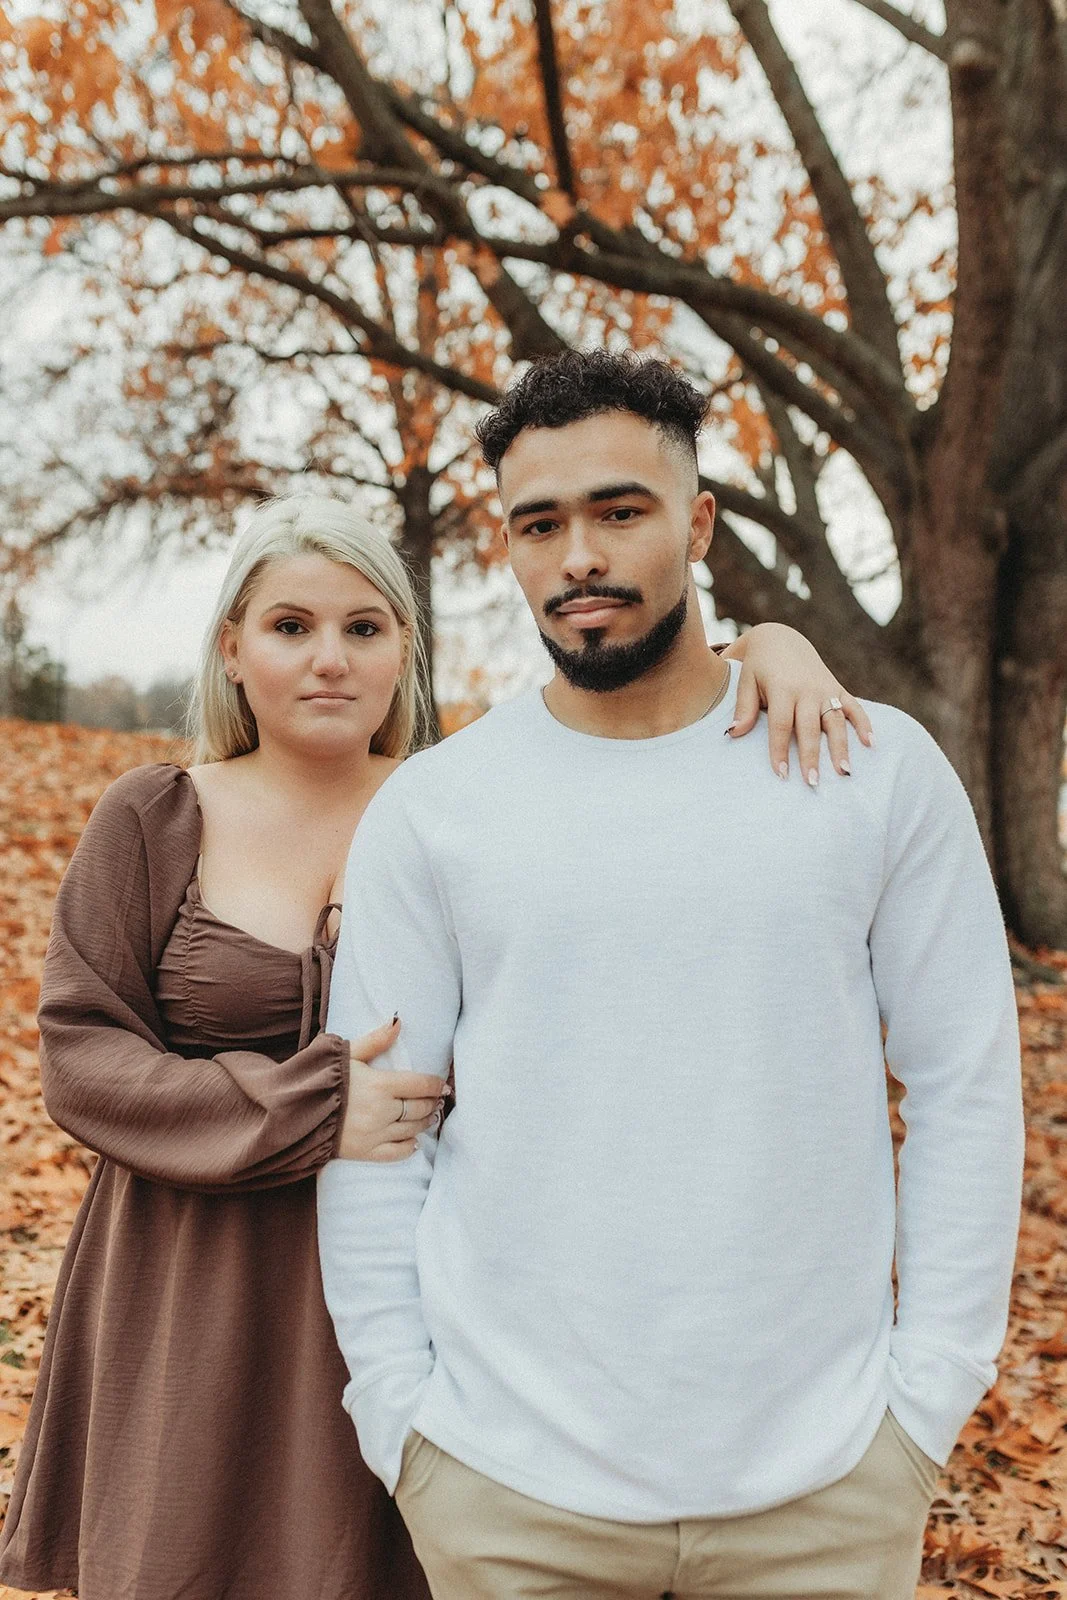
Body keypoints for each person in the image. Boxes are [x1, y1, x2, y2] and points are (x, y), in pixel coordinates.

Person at [0, 492, 865, 1600]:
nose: (329, 659)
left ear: (407, 648)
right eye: (290, 626)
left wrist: (773, 649)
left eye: (364, 627)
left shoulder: (470, 808)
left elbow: (643, 733)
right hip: (190, 1288)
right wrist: (310, 1107)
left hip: (409, 1300)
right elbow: (81, 1054)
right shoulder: (156, 815)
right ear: (232, 647)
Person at [317, 353, 1025, 1600]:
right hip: (505, 1488)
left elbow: (966, 1090)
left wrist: (924, 1405)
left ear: (696, 522)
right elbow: (379, 1127)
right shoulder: (436, 811)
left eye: (618, 510)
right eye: (540, 523)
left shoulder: (872, 773)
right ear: (509, 545)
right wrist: (404, 1424)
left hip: (825, 1490)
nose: (577, 554)